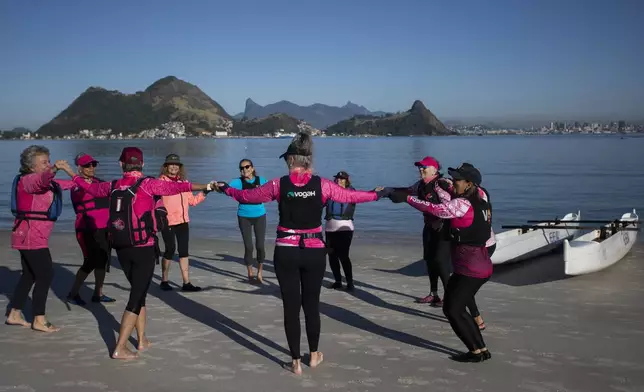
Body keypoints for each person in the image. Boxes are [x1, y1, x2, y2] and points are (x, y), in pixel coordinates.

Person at [214, 133, 391, 375]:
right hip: (314, 252)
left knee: (290, 307)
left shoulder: (278, 184)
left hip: (286, 252)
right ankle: (315, 355)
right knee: (311, 305)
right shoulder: (323, 185)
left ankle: (295, 362)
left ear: (290, 159)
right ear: (308, 160)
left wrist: (226, 189)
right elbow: (350, 197)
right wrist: (378, 193)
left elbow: (247, 196)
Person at [71, 147, 215, 360]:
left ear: (121, 165)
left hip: (121, 248)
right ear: (143, 165)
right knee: (136, 297)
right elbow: (180, 186)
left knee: (140, 292)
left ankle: (141, 339)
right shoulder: (148, 184)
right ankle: (120, 347)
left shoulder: (112, 185)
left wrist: (71, 173)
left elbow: (88, 188)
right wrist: (209, 186)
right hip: (143, 248)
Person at [389, 163, 493, 362]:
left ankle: (475, 351)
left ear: (469, 184)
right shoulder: (482, 200)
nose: (453, 183)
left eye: (457, 180)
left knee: (452, 310)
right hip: (475, 263)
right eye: (453, 179)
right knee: (457, 308)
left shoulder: (463, 204)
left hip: (472, 267)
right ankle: (481, 349)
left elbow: (436, 209)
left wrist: (409, 199)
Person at [6, 145, 76, 332]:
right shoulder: (28, 180)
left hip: (29, 236)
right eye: (43, 162)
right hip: (30, 235)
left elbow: (72, 184)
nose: (48, 165)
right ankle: (39, 319)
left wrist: (74, 174)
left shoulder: (48, 182)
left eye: (49, 161)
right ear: (31, 167)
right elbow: (42, 180)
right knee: (45, 274)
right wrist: (53, 170)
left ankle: (14, 314)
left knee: (29, 275)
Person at [393, 156, 452, 307]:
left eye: (424, 167)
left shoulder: (441, 184)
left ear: (434, 169)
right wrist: (387, 191)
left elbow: (449, 208)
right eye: (419, 167)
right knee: (429, 260)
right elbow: (406, 191)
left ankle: (450, 296)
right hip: (429, 227)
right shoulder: (420, 184)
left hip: (443, 228)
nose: (421, 170)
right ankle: (434, 294)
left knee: (441, 262)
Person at [66, 153, 116, 305]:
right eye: (87, 165)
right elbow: (83, 193)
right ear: (79, 168)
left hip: (104, 228)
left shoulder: (100, 183)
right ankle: (73, 294)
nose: (91, 168)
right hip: (86, 228)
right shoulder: (75, 186)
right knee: (90, 261)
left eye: (93, 164)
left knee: (103, 261)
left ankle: (98, 293)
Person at [158, 153, 207, 292]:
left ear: (180, 167)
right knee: (170, 249)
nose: (174, 167)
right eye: (171, 164)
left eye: (176, 165)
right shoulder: (160, 183)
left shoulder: (185, 183)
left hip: (183, 221)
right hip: (167, 222)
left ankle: (186, 282)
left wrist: (205, 192)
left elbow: (193, 202)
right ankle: (164, 280)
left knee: (184, 251)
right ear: (166, 167)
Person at [228, 158, 268, 283]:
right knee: (249, 246)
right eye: (242, 168)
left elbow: (273, 189)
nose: (244, 169)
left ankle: (260, 272)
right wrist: (213, 186)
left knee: (260, 246)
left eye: (247, 167)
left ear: (252, 168)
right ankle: (250, 272)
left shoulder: (261, 180)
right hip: (243, 216)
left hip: (260, 215)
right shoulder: (237, 182)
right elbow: (225, 188)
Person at [324, 171, 357, 291]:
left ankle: (350, 282)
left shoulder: (352, 193)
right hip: (330, 228)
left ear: (347, 180)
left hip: (345, 229)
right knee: (332, 255)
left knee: (343, 256)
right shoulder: (329, 192)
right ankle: (337, 281)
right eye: (337, 178)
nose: (339, 180)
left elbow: (366, 196)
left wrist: (377, 192)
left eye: (342, 179)